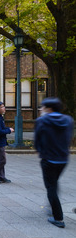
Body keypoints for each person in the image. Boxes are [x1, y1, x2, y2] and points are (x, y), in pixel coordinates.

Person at [34, 97, 74, 228]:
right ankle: (53, 206)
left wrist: (41, 151)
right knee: (54, 182)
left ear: (49, 108)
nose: (41, 109)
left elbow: (37, 140)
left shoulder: (42, 120)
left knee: (51, 187)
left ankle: (58, 218)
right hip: (63, 159)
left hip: (48, 159)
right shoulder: (68, 120)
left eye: (43, 107)